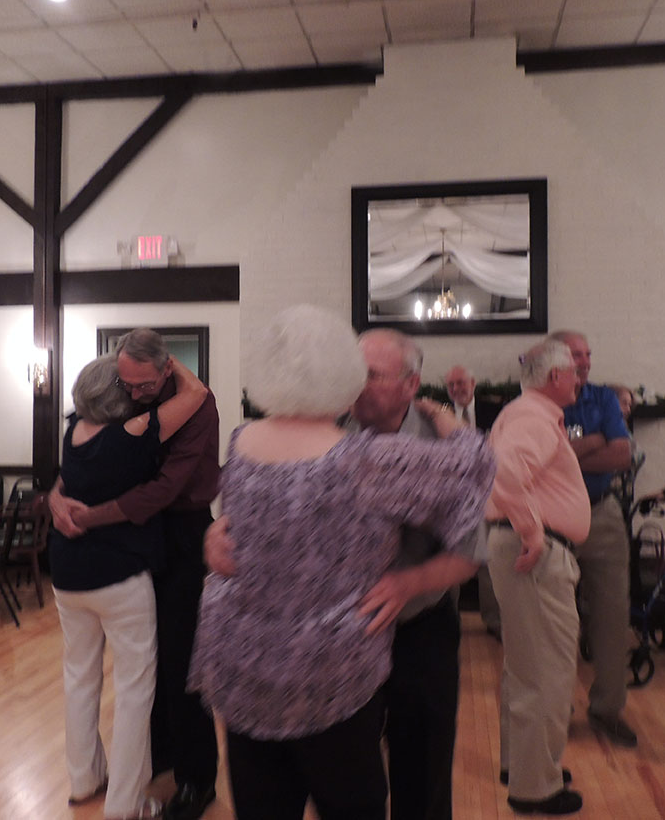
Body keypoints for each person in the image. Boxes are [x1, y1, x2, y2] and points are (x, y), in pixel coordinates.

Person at [190, 305, 495, 820]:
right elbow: (477, 462)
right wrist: (211, 541)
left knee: (416, 772)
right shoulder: (359, 453)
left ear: (410, 384)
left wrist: (411, 582)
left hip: (334, 647)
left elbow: (470, 546)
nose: (359, 385)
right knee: (344, 795)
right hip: (332, 664)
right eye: (357, 371)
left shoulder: (245, 442)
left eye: (372, 374)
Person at [49, 329, 220, 820]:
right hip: (133, 538)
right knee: (147, 664)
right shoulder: (126, 403)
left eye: (143, 385)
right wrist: (58, 496)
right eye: (127, 384)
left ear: (167, 369)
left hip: (180, 530)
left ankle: (197, 778)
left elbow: (160, 491)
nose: (134, 394)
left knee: (181, 660)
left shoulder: (197, 407)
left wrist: (86, 515)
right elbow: (87, 464)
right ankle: (158, 757)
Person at [485, 338, 590, 816]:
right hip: (534, 554)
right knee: (547, 671)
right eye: (574, 370)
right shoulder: (534, 416)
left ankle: (524, 766)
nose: (580, 377)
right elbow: (504, 471)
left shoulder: (524, 413)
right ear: (555, 377)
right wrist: (531, 531)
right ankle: (536, 788)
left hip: (521, 548)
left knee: (526, 667)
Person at [552, 331, 638, 748]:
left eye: (588, 354)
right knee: (554, 623)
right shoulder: (539, 400)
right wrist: (593, 442)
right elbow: (541, 463)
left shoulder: (603, 398)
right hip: (552, 519)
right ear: (555, 360)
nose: (585, 361)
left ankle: (607, 711)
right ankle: (556, 713)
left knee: (612, 617)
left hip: (602, 515)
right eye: (576, 355)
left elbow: (622, 455)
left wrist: (568, 451)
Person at [445, 364, 503, 643]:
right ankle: (449, 621)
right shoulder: (440, 415)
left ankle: (495, 620)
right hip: (451, 502)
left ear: (473, 383)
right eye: (451, 385)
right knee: (451, 560)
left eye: (461, 383)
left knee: (490, 561)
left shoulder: (496, 412)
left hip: (490, 498)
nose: (457, 389)